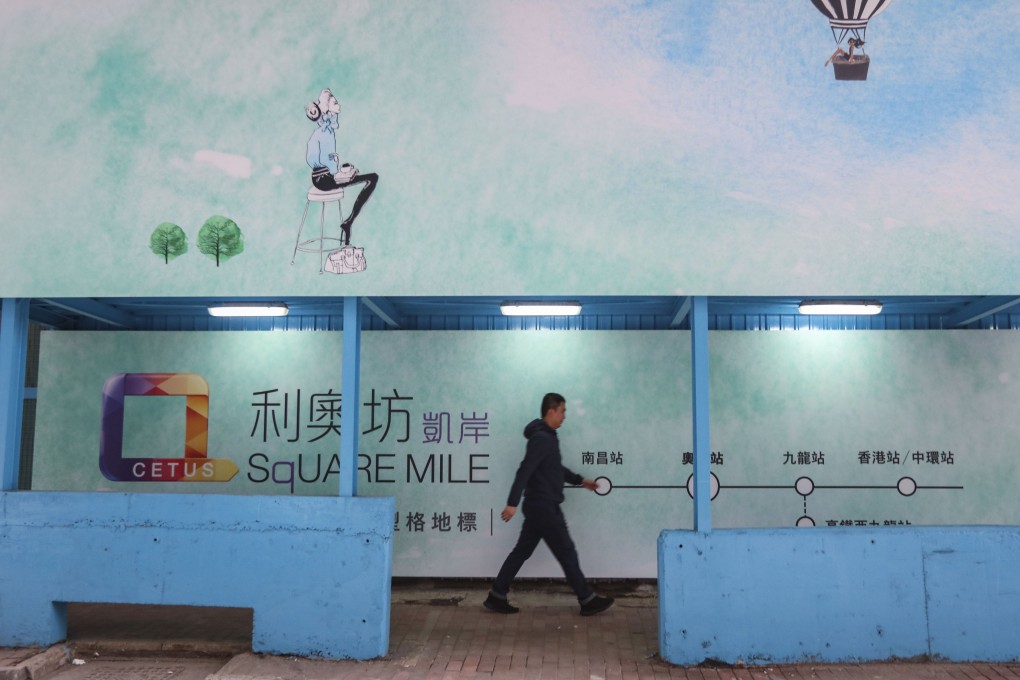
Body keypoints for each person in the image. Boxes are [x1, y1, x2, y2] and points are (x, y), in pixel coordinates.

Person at [484, 393, 615, 616]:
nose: (564, 416)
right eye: (563, 411)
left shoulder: (548, 437)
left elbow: (555, 469)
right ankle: (586, 598)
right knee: (566, 551)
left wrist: (580, 481)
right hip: (544, 506)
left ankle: (497, 595)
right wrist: (512, 503)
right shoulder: (542, 439)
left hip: (538, 506)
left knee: (521, 551)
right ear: (551, 411)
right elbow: (525, 469)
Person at [305, 87, 379, 246]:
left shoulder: (327, 130)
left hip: (325, 176)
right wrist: (336, 172)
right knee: (372, 178)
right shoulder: (324, 133)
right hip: (323, 179)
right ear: (327, 108)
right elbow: (315, 158)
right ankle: (349, 222)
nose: (338, 105)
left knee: (371, 178)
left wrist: (339, 171)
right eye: (335, 102)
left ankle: (349, 221)